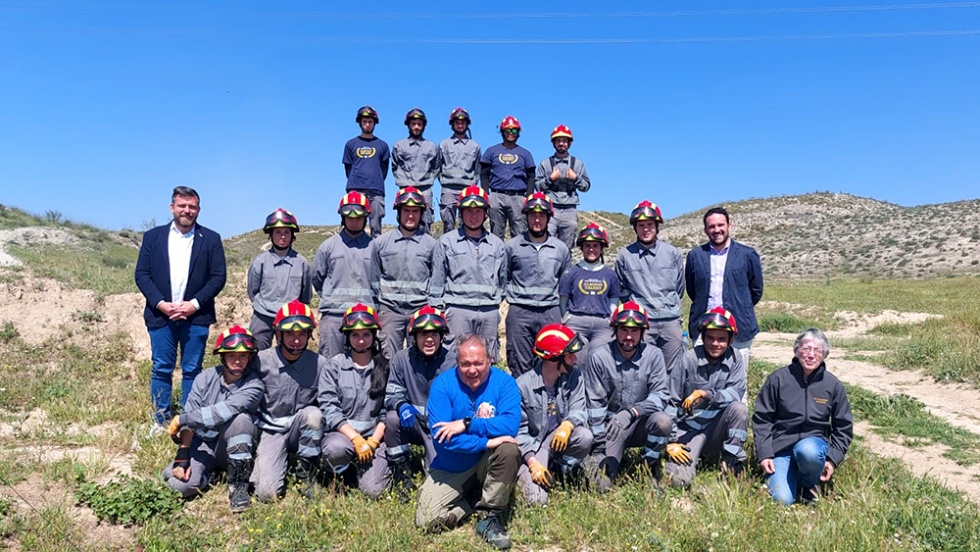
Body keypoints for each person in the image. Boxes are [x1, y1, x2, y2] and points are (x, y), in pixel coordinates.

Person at [415, 335, 521, 550]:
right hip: (452, 465)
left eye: (478, 363)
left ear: (490, 360)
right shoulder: (442, 385)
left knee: (508, 449)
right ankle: (472, 501)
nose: (472, 370)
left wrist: (466, 424)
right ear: (457, 362)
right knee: (426, 521)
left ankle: (490, 516)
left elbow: (509, 425)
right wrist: (486, 443)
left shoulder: (505, 383)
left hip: (487, 462)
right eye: (465, 364)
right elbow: (443, 439)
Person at [135, 186, 227, 429]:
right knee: (161, 368)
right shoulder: (152, 237)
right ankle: (159, 421)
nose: (187, 210)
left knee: (192, 369)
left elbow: (218, 277)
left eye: (192, 206)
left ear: (198, 209)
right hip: (160, 315)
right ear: (172, 207)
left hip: (196, 317)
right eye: (182, 206)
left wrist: (193, 305)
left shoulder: (211, 239)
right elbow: (142, 275)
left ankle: (188, 420)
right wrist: (161, 304)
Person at [163, 325, 263, 513]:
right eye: (231, 355)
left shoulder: (254, 385)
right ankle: (207, 476)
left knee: (241, 419)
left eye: (243, 356)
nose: (237, 361)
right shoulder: (205, 378)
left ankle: (238, 486)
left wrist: (182, 419)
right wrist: (182, 454)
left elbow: (222, 411)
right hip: (203, 444)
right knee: (179, 486)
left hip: (232, 446)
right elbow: (191, 414)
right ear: (222, 356)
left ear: (250, 357)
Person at [753, 328, 853, 505]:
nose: (811, 355)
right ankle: (793, 478)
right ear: (796, 351)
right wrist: (765, 454)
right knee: (782, 500)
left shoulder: (833, 385)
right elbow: (762, 419)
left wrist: (832, 459)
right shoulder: (778, 379)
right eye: (806, 349)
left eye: (818, 350)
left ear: (824, 355)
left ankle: (810, 486)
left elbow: (843, 427)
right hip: (781, 447)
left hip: (813, 446)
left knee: (807, 450)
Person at [585, 301, 672, 492]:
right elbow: (595, 404)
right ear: (615, 330)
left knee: (663, 421)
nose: (629, 336)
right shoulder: (598, 357)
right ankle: (607, 456)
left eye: (635, 331)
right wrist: (599, 445)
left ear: (643, 332)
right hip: (611, 427)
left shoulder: (654, 355)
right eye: (624, 330)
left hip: (641, 422)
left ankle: (650, 466)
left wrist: (633, 412)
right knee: (601, 486)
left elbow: (661, 395)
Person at [252, 301, 330, 502]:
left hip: (299, 428)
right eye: (290, 334)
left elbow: (328, 402)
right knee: (267, 494)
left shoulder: (319, 364)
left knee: (314, 415)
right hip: (270, 431)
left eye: (302, 334)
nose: (296, 341)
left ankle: (306, 473)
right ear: (278, 335)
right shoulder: (260, 361)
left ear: (309, 335)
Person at [663, 308, 748, 488]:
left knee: (739, 409)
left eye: (722, 339)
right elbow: (670, 400)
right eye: (710, 337)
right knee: (677, 482)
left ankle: (731, 462)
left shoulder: (736, 359)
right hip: (688, 429)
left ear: (731, 339)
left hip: (716, 429)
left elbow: (736, 392)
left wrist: (705, 394)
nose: (715, 343)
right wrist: (670, 441)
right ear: (702, 337)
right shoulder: (688, 359)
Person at [318, 304, 392, 498]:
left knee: (375, 491)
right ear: (347, 337)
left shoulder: (385, 367)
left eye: (366, 335)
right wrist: (355, 438)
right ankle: (340, 473)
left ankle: (367, 469)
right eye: (355, 335)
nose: (360, 341)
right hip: (342, 436)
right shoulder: (333, 366)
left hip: (373, 438)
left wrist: (374, 441)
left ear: (374, 335)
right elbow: (329, 407)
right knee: (336, 449)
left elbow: (387, 409)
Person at [384, 305, 456, 501]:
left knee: (436, 484)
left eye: (434, 333)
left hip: (440, 429)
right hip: (412, 424)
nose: (429, 339)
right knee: (391, 419)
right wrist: (402, 406)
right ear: (413, 337)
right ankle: (402, 474)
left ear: (442, 336)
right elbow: (391, 394)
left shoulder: (452, 362)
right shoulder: (402, 359)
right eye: (423, 334)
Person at [515, 324, 592, 506]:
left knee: (585, 436)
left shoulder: (575, 376)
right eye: (570, 355)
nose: (574, 359)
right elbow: (518, 433)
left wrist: (568, 424)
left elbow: (579, 409)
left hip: (557, 439)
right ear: (554, 358)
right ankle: (526, 475)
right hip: (533, 448)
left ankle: (562, 471)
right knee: (537, 501)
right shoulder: (522, 386)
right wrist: (532, 463)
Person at [429, 185, 507, 362]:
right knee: (453, 359)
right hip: (457, 311)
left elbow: (503, 281)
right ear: (460, 213)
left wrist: (493, 305)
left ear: (486, 213)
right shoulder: (446, 242)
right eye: (468, 211)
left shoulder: (497, 244)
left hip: (488, 312)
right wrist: (440, 311)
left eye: (478, 211)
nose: (473, 216)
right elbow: (437, 282)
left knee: (488, 360)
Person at [685, 207, 764, 364]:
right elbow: (692, 290)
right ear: (705, 230)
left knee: (737, 377)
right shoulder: (695, 256)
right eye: (711, 226)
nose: (717, 230)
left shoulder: (747, 254)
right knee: (701, 376)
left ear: (729, 225)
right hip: (703, 327)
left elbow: (756, 290)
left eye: (720, 225)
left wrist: (740, 305)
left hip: (739, 326)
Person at [503, 192, 571, 375]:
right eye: (533, 215)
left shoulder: (561, 249)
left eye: (542, 215)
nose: (537, 220)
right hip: (520, 311)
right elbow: (504, 276)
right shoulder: (512, 246)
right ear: (526, 216)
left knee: (553, 359)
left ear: (549, 217)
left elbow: (565, 284)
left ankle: (549, 402)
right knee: (519, 363)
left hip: (550, 311)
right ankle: (522, 402)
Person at [615, 200, 685, 372]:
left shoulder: (672, 253)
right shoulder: (625, 256)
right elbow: (622, 290)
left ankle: (670, 399)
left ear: (657, 226)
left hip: (670, 321)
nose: (645, 229)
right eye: (641, 225)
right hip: (642, 322)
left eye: (649, 225)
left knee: (673, 368)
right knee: (643, 367)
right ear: (635, 228)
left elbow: (680, 287)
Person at [371, 186, 436, 361]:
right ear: (398, 212)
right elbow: (373, 279)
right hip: (390, 311)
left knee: (420, 361)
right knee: (388, 360)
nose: (410, 215)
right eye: (406, 210)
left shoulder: (431, 245)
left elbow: (436, 280)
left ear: (421, 213)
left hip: (420, 310)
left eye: (415, 211)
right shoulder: (381, 243)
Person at [312, 192, 377, 359]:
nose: (354, 221)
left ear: (366, 218)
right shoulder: (328, 246)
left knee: (365, 365)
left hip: (366, 317)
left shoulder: (375, 247)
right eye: (349, 217)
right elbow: (317, 278)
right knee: (330, 363)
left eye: (358, 217)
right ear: (343, 217)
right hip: (334, 316)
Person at [247, 208, 313, 350]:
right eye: (277, 232)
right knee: (255, 353)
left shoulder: (301, 263)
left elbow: (305, 295)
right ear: (270, 235)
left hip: (290, 317)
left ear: (292, 235)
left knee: (290, 354)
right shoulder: (260, 262)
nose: (282, 237)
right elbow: (253, 290)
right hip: (263, 315)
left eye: (286, 232)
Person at [558, 222, 619, 359]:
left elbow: (614, 299)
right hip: (577, 322)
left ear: (602, 248)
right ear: (582, 248)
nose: (591, 249)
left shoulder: (610, 274)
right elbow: (563, 299)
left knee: (600, 359)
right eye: (587, 246)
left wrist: (611, 317)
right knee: (577, 359)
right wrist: (567, 317)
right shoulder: (571, 272)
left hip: (602, 324)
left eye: (595, 245)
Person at [534, 124, 591, 250]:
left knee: (566, 247)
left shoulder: (577, 164)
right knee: (546, 243)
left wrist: (575, 178)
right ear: (553, 143)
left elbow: (586, 187)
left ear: (569, 143)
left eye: (564, 141)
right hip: (551, 209)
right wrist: (550, 179)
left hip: (570, 210)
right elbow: (537, 186)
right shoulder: (545, 163)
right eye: (558, 141)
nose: (561, 143)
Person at [480, 115, 535, 240]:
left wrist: (528, 197)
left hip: (518, 197)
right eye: (508, 130)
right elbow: (484, 175)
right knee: (495, 236)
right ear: (502, 131)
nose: (511, 133)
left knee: (520, 235)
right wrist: (486, 196)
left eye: (514, 131)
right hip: (496, 196)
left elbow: (531, 177)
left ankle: (518, 259)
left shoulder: (525, 154)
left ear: (518, 133)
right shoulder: (491, 151)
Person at [343, 105, 391, 237]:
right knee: (355, 226)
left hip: (376, 191)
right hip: (355, 190)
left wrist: (375, 179)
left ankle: (375, 255)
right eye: (365, 121)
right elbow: (348, 168)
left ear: (375, 123)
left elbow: (384, 168)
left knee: (376, 228)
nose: (367, 124)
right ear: (360, 122)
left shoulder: (383, 145)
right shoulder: (350, 144)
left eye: (370, 121)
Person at [392, 108, 440, 234]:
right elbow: (394, 166)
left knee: (426, 223)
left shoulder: (431, 146)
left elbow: (436, 167)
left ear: (424, 126)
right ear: (408, 125)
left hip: (425, 190)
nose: (416, 127)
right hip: (405, 189)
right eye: (413, 124)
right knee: (405, 223)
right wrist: (405, 181)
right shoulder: (399, 146)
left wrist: (425, 180)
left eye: (419, 124)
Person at [438, 107, 481, 232]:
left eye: (463, 122)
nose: (460, 125)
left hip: (467, 188)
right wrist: (445, 181)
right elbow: (437, 167)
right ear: (452, 124)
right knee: (448, 223)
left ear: (467, 124)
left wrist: (472, 184)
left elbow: (478, 168)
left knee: (467, 223)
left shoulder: (475, 146)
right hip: (448, 189)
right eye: (457, 122)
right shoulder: (444, 144)